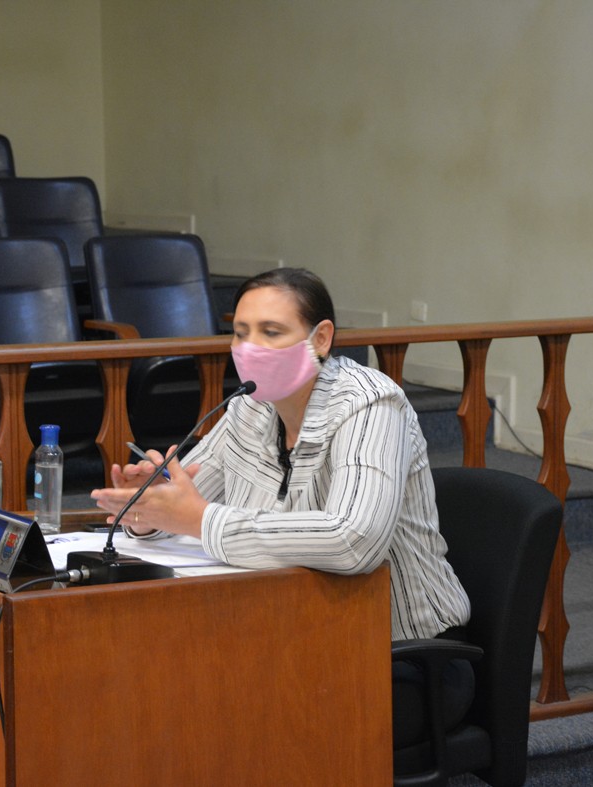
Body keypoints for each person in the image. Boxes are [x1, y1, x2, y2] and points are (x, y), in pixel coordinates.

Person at [90, 267, 473, 745]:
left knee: (220, 710)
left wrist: (201, 519)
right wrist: (149, 506)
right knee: (167, 684)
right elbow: (189, 500)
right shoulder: (249, 406)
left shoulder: (370, 405)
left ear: (321, 338)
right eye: (241, 333)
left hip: (399, 657)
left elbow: (354, 540)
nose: (251, 348)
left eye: (271, 332)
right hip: (290, 632)